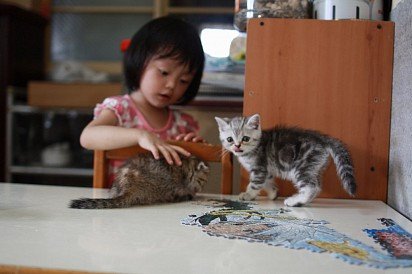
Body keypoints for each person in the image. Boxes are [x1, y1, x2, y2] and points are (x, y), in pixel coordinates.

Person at [80, 16, 205, 183]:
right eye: (164, 72)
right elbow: (88, 137)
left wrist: (192, 149)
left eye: (183, 81)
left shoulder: (183, 124)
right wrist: (140, 136)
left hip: (165, 204)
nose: (171, 85)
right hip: (117, 203)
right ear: (139, 62)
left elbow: (190, 176)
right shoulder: (121, 109)